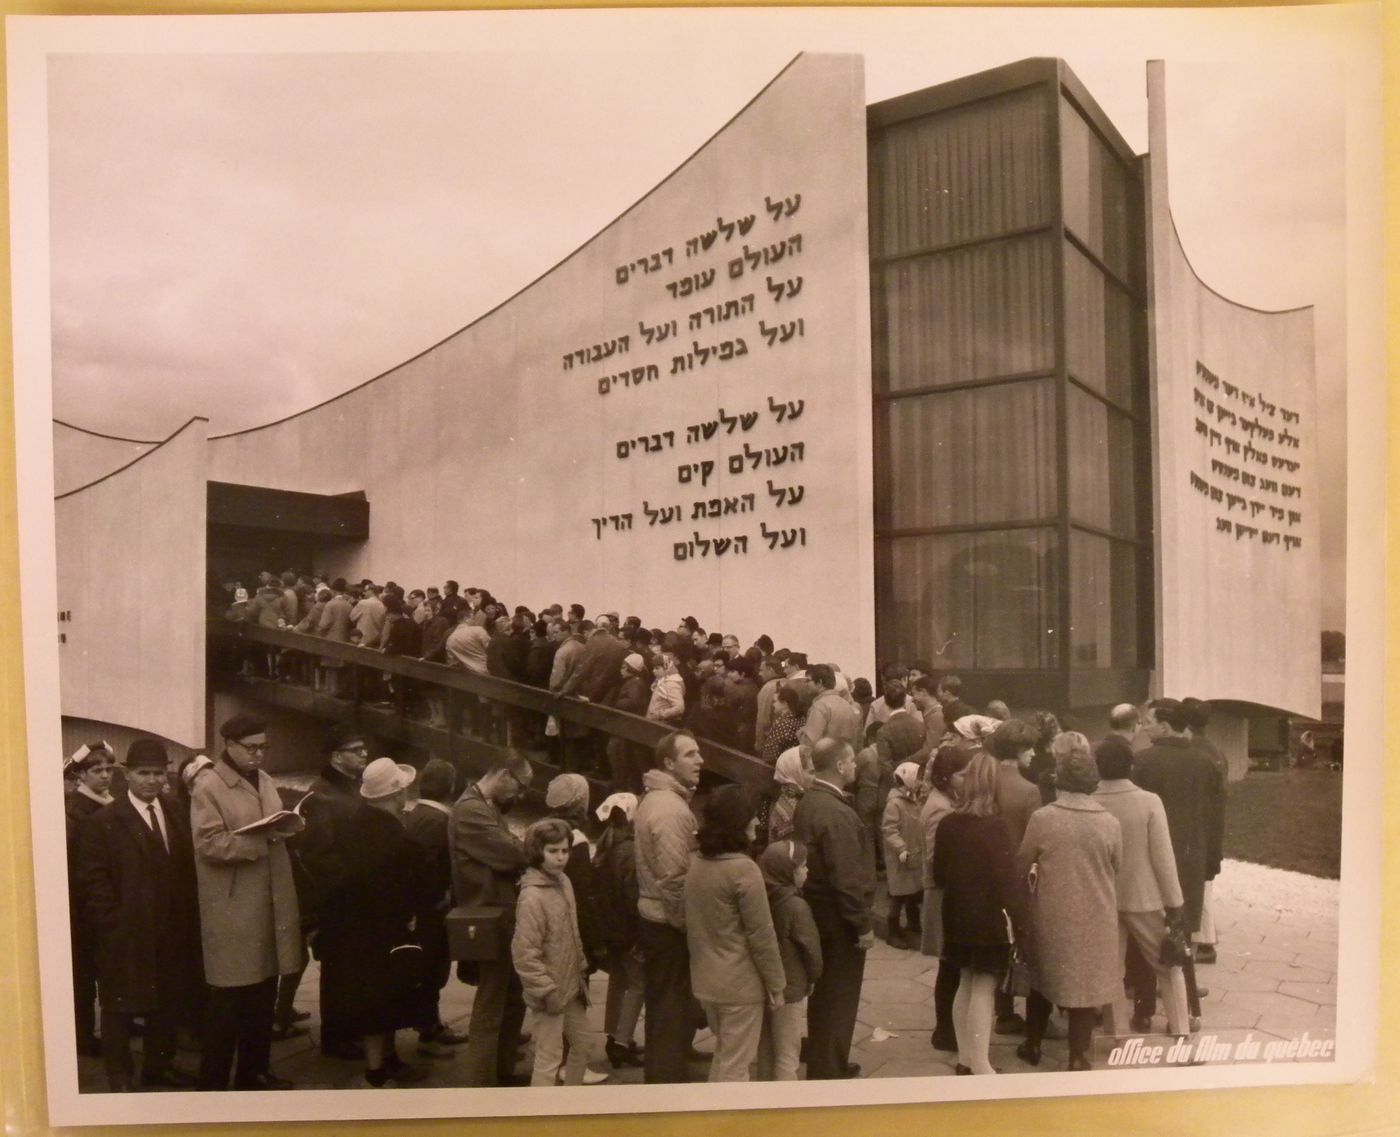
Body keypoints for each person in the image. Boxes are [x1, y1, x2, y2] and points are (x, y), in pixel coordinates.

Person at [77, 737, 201, 1091]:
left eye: (158, 774)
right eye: (143, 773)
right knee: (119, 1007)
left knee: (167, 1003)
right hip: (126, 933)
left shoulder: (174, 808)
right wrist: (113, 926)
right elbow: (92, 879)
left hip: (171, 930)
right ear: (127, 775)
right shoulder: (105, 821)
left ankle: (158, 1069)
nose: (151, 780)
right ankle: (120, 1076)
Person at [191, 714, 302, 1091]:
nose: (258, 755)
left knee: (263, 994)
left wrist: (286, 826)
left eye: (263, 747)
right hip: (234, 908)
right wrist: (258, 843)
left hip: (268, 902)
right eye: (251, 748)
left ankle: (255, 1072)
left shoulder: (266, 779)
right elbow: (207, 843)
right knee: (230, 1000)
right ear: (229, 746)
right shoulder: (208, 786)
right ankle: (213, 1084)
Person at [318, 758, 437, 1087]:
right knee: (384, 999)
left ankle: (385, 1062)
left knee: (377, 998)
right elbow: (418, 885)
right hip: (387, 930)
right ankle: (378, 1070)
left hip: (354, 929)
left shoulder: (353, 824)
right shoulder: (398, 838)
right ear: (396, 795)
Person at [1015, 733, 1122, 1071]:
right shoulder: (1109, 823)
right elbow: (1116, 865)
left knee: (1043, 978)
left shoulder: (1044, 819)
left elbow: (1022, 862)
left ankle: (1032, 1043)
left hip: (1051, 911)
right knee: (1084, 988)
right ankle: (1078, 1055)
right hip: (1096, 913)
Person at [932, 751, 1028, 1075]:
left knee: (965, 981)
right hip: (987, 917)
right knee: (985, 988)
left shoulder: (948, 823)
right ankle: (982, 1064)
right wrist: (1020, 918)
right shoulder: (996, 827)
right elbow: (1006, 881)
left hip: (956, 912)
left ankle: (965, 1058)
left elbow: (938, 874)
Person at [1092, 736, 1192, 1038]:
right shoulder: (1149, 801)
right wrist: (1175, 902)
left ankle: (1117, 1034)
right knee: (1168, 965)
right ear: (1132, 766)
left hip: (1104, 898)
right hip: (1144, 897)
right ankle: (1181, 1028)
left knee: (1112, 971)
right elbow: (1163, 858)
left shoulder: (1090, 801)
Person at [684, 785, 785, 1083]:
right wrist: (776, 983)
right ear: (737, 824)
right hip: (740, 985)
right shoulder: (744, 870)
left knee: (724, 1057)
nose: (756, 823)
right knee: (736, 1067)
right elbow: (761, 935)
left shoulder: (697, 865)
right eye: (751, 818)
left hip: (706, 981)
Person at [450, 750, 535, 1087]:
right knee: (492, 1003)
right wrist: (525, 846)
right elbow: (513, 851)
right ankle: (483, 1083)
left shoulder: (484, 807)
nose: (522, 794)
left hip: (500, 913)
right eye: (522, 785)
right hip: (489, 916)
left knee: (511, 996)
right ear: (503, 774)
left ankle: (501, 1071)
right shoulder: (470, 810)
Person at [793, 739, 875, 1079]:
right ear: (840, 766)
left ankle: (826, 1056)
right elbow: (847, 876)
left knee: (824, 992)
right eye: (852, 761)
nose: (855, 766)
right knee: (839, 994)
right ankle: (829, 1068)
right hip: (839, 916)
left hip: (815, 907)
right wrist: (862, 924)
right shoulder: (838, 813)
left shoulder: (808, 801)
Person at [1133, 698, 1226, 992]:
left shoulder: (1142, 762)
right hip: (1192, 857)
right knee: (1183, 923)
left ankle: (1145, 989)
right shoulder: (1206, 764)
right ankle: (1183, 984)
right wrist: (1213, 860)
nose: (1146, 729)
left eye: (1149, 723)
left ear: (1164, 726)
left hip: (1150, 856)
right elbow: (1216, 818)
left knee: (1150, 922)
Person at [512, 817, 608, 1086]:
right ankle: (541, 1119)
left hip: (570, 986)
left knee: (584, 1044)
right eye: (553, 851)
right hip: (550, 992)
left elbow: (571, 932)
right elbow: (524, 953)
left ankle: (568, 1102)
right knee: (548, 1058)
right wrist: (545, 990)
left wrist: (580, 967)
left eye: (565, 850)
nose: (561, 857)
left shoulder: (563, 881)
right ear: (536, 852)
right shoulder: (533, 897)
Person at [293, 723, 370, 1057]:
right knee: (339, 972)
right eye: (356, 750)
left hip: (354, 898)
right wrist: (351, 885)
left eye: (364, 749)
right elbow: (317, 855)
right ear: (337, 757)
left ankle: (348, 1032)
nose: (364, 754)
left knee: (354, 970)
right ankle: (336, 1039)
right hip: (339, 901)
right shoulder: (321, 795)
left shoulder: (351, 790)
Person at [634, 730, 703, 1084]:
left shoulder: (661, 799)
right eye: (690, 754)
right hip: (666, 921)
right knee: (669, 1005)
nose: (700, 761)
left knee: (667, 1001)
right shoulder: (671, 810)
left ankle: (669, 1066)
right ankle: (666, 1080)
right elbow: (674, 878)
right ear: (668, 763)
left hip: (657, 915)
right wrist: (684, 925)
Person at [401, 757, 468, 1055]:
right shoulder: (436, 820)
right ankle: (427, 1033)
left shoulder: (420, 813)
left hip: (426, 909)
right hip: (431, 911)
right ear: (451, 787)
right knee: (430, 970)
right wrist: (437, 896)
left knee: (431, 969)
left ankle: (433, 1025)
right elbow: (424, 866)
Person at [919, 742, 976, 1052]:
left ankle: (947, 1029)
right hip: (943, 895)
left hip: (944, 891)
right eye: (962, 775)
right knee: (950, 964)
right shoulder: (941, 809)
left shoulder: (943, 801)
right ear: (945, 776)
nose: (966, 780)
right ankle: (945, 1030)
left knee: (950, 964)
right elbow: (934, 858)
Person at [64, 740, 116, 1058]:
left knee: (107, 968)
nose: (105, 775)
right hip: (84, 907)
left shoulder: (107, 801)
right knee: (84, 975)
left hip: (103, 901)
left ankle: (116, 1024)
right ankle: (83, 1037)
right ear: (82, 775)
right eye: (97, 770)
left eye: (109, 769)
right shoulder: (78, 811)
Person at [755, 840, 822, 1081]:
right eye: (802, 866)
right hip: (791, 987)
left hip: (763, 985)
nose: (807, 871)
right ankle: (787, 1106)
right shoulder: (796, 905)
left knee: (765, 1051)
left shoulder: (759, 898)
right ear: (787, 870)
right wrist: (813, 976)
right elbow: (810, 947)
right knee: (787, 1053)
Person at [592, 792, 645, 1069]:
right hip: (627, 929)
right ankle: (622, 1041)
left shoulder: (606, 846)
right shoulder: (629, 852)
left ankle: (612, 1034)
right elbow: (633, 897)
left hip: (610, 928)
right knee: (639, 984)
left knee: (619, 981)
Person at [881, 761, 925, 949]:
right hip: (901, 857)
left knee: (913, 892)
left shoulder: (915, 799)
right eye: (918, 778)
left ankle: (914, 927)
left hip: (914, 854)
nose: (921, 781)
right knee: (898, 895)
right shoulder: (895, 804)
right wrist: (901, 848)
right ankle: (893, 932)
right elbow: (889, 830)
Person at [767, 747, 810, 845]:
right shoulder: (791, 811)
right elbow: (792, 854)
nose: (815, 777)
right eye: (811, 772)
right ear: (796, 773)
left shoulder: (789, 797)